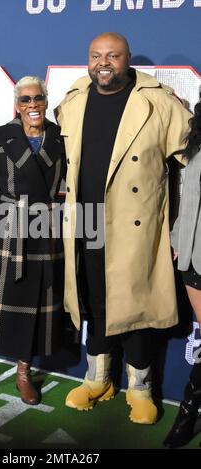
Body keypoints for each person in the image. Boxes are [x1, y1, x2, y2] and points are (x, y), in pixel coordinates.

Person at [55, 32, 191, 424]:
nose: (103, 63)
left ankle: (140, 387)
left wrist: (182, 228)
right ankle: (98, 379)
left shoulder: (158, 102)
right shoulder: (74, 101)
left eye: (112, 56)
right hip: (87, 221)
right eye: (96, 55)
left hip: (136, 226)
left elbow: (189, 160)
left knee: (137, 306)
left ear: (127, 59)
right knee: (93, 298)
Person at [0, 76, 66, 405]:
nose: (32, 105)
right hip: (3, 236)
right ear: (16, 105)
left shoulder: (61, 138)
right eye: (25, 100)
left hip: (43, 233)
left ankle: (24, 374)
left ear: (46, 102)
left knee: (33, 312)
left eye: (38, 99)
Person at [163, 101, 201, 448]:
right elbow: (186, 195)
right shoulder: (195, 134)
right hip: (192, 256)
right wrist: (177, 239)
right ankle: (189, 414)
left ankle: (188, 414)